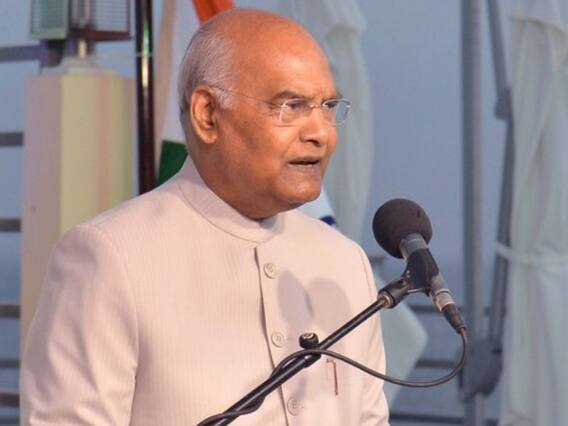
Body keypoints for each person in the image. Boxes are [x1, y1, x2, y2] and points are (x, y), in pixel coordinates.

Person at [21, 8, 389, 425]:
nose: (320, 132)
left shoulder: (345, 263)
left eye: (328, 106)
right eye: (291, 106)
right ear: (208, 114)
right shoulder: (110, 258)